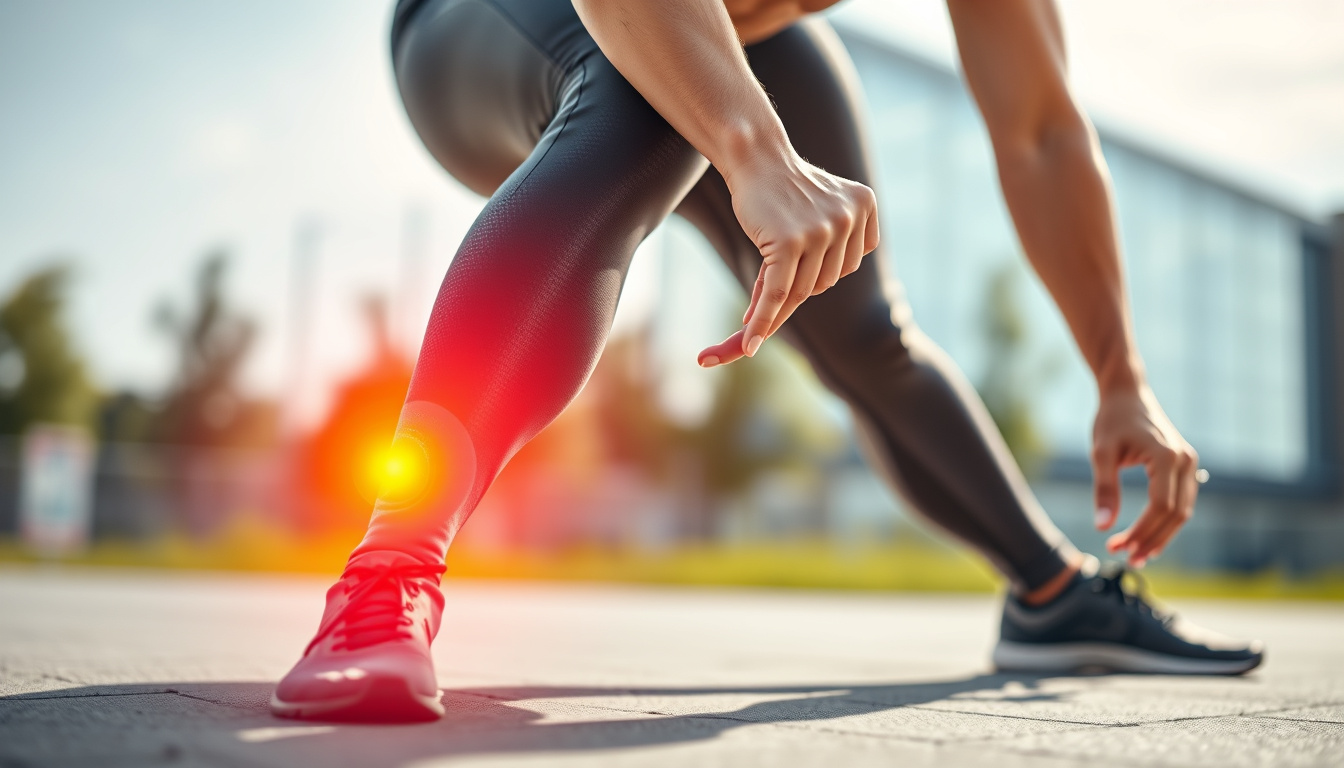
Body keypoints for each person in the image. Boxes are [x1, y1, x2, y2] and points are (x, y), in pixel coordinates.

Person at [270, 0, 1263, 722]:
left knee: (863, 324)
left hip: (750, 34)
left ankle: (1054, 596)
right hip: (490, 25)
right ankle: (384, 579)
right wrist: (756, 156)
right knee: (641, 98)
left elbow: (1042, 130)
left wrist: (1121, 374)